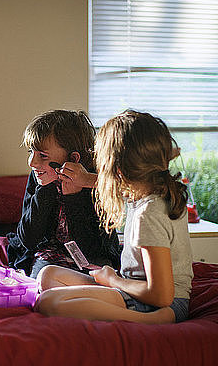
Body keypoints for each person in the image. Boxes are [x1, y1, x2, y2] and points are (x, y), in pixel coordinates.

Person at [34, 110, 193, 324]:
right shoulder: (152, 189)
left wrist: (113, 280)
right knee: (48, 275)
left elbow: (161, 294)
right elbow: (111, 186)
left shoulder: (148, 215)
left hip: (159, 303)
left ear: (117, 170)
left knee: (48, 302)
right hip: (136, 289)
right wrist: (82, 179)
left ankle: (151, 321)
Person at [7, 109, 121, 279]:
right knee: (42, 280)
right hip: (50, 255)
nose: (32, 162)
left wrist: (73, 197)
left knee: (101, 278)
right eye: (31, 152)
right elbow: (28, 239)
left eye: (43, 156)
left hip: (91, 255)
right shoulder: (38, 177)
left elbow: (92, 249)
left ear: (73, 159)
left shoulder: (96, 181)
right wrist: (44, 190)